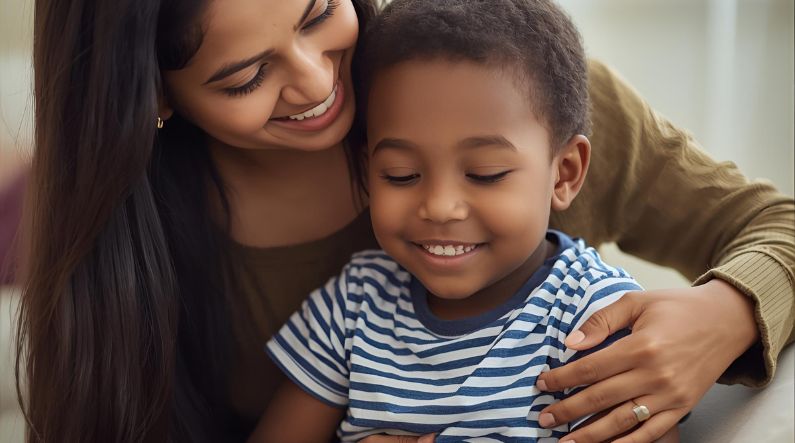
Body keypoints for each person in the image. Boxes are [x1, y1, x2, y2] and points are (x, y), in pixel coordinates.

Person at [17, 0, 793, 441]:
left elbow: (771, 221)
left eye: (318, 12)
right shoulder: (130, 252)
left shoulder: (509, 86)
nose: (317, 80)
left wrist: (726, 312)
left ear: (565, 170)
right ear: (153, 96)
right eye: (247, 76)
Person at [249, 1, 678, 441]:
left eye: (485, 174)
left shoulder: (593, 318)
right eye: (401, 175)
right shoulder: (353, 305)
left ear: (564, 173)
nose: (439, 207)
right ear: (368, 172)